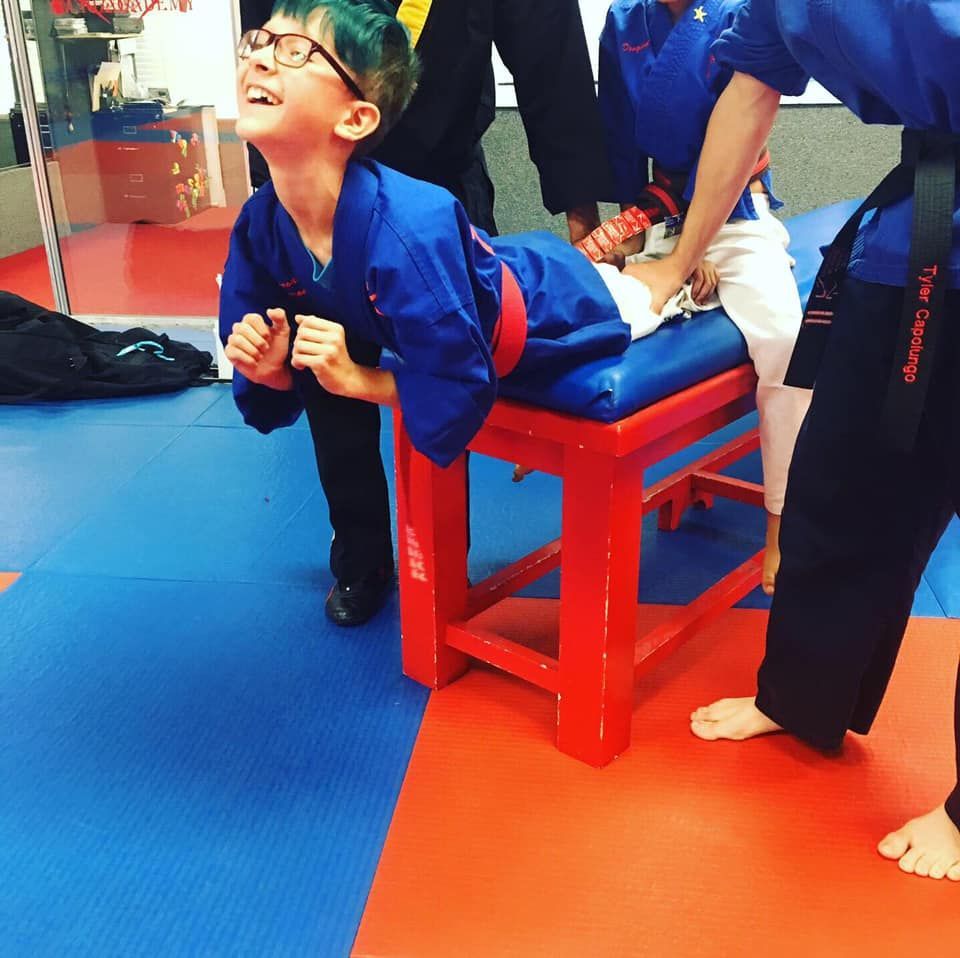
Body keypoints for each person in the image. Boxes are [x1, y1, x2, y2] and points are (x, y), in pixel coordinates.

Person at [623, 0, 960, 879]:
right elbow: (748, 95)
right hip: (914, 238)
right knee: (837, 482)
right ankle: (802, 696)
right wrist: (673, 257)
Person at [238, 0, 613, 626]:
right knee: (322, 368)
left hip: (437, 179)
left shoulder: (422, 226)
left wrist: (582, 213)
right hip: (312, 170)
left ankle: (437, 559)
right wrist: (272, 366)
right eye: (257, 46)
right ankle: (361, 558)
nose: (256, 57)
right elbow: (272, 49)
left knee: (457, 356)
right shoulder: (264, 220)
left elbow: (549, 49)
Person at [594, 0, 810, 595]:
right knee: (594, 300)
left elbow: (738, 133)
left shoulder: (739, 14)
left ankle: (782, 523)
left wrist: (697, 249)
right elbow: (618, 132)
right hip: (658, 213)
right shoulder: (624, 21)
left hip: (734, 211)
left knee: (786, 340)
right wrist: (630, 236)